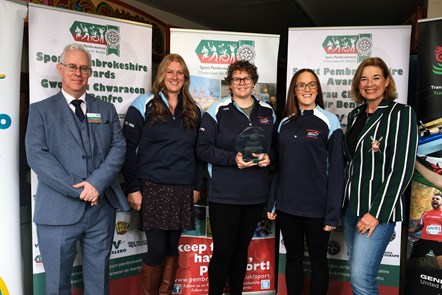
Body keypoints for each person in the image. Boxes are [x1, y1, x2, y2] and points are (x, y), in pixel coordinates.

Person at [25, 43, 130, 294]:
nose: (78, 72)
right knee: (58, 284)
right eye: (72, 66)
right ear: (60, 68)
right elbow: (37, 157)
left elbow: (119, 148)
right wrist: (80, 190)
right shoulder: (40, 111)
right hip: (58, 212)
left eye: (84, 68)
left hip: (100, 210)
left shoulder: (106, 109)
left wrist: (96, 184)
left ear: (90, 73)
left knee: (98, 282)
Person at [122, 53, 202, 295]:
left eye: (179, 73)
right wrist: (133, 188)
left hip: (181, 187)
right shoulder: (143, 104)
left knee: (171, 248)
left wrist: (197, 187)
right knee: (156, 250)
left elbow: (198, 152)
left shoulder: (194, 109)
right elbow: (127, 148)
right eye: (170, 72)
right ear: (162, 75)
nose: (174, 77)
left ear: (185, 78)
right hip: (152, 186)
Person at [196, 60, 276, 295]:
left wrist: (269, 157)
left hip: (254, 194)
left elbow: (277, 148)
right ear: (230, 84)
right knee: (223, 250)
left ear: (254, 82)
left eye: (246, 79)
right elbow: (202, 148)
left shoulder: (268, 111)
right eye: (236, 79)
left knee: (242, 250)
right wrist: (233, 159)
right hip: (225, 194)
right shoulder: (217, 110)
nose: (241, 83)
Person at [342, 57, 419, 295]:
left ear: (386, 82)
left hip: (377, 212)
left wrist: (375, 213)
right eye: (364, 78)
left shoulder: (401, 114)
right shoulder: (355, 115)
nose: (369, 83)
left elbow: (402, 169)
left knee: (361, 279)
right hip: (350, 209)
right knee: (358, 277)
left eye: (376, 77)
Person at [266, 69, 344, 294]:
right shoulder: (284, 123)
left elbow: (337, 171)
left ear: (317, 89)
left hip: (317, 207)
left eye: (311, 85)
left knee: (319, 260)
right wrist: (272, 202)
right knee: (293, 258)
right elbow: (279, 167)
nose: (307, 89)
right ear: (294, 90)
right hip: (288, 205)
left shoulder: (329, 122)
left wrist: (332, 213)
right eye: (301, 85)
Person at [409, 193, 442, 267]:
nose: (434, 200)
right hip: (424, 241)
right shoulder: (426, 213)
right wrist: (405, 231)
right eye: (433, 199)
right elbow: (418, 227)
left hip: (440, 242)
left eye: (437, 199)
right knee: (413, 262)